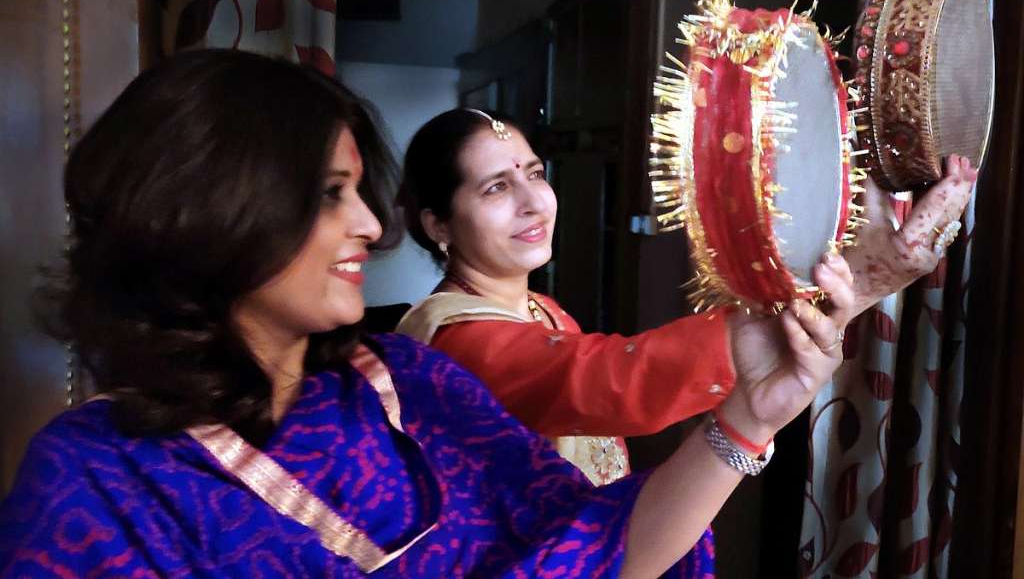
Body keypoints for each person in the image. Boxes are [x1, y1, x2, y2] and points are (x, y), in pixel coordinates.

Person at [0, 49, 854, 577]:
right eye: (329, 195)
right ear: (209, 216)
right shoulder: (94, 483)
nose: (370, 227)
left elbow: (602, 546)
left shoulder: (404, 383)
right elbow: (607, 380)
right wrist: (743, 337)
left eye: (535, 174)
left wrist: (748, 419)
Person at [394, 108, 977, 485]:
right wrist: (866, 278)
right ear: (438, 224)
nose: (534, 202)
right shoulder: (452, 341)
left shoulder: (540, 310)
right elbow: (610, 381)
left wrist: (865, 279)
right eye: (497, 187)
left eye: (535, 173)